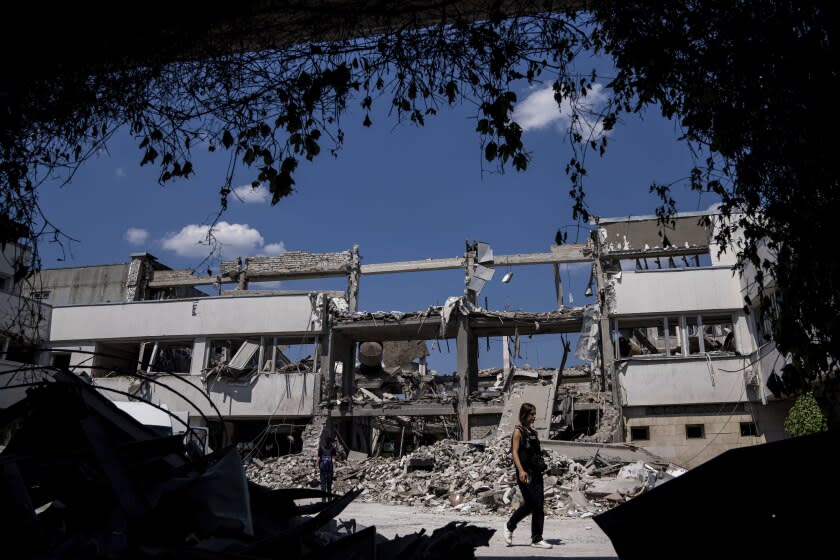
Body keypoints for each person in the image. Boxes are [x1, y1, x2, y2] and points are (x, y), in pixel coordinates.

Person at [504, 402, 552, 549]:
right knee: (534, 504)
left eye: (534, 414)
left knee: (535, 505)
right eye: (532, 414)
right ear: (524, 415)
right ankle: (533, 536)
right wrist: (520, 471)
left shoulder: (533, 433)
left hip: (536, 473)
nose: (534, 417)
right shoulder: (518, 432)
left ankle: (519, 530)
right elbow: (514, 452)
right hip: (525, 473)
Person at [316, 435, 337, 502]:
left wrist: (316, 466)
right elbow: (334, 459)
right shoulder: (332, 448)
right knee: (329, 484)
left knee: (323, 484)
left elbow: (318, 458)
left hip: (322, 468)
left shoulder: (321, 447)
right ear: (330, 442)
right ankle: (329, 499)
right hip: (329, 469)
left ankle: (323, 500)